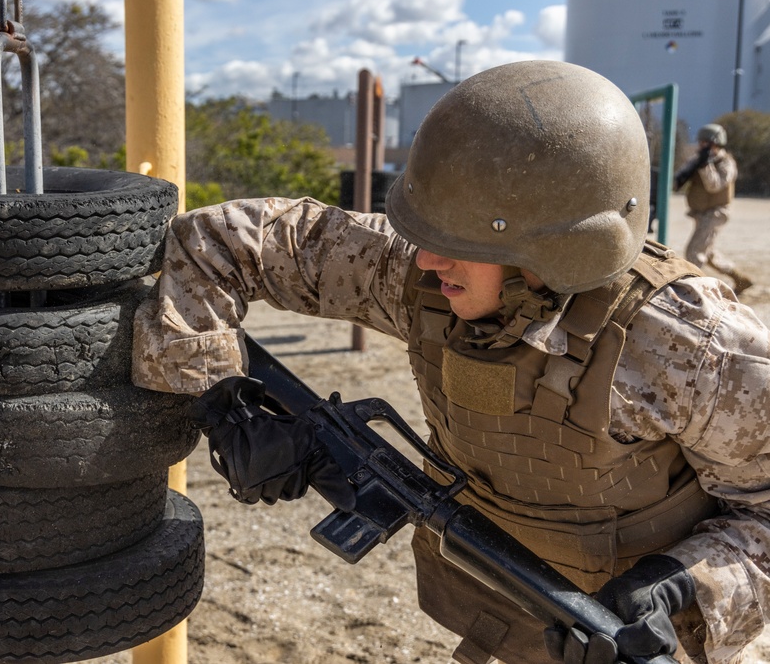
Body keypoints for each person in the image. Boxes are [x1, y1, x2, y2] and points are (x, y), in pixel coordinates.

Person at [132, 60, 770, 664]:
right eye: (425, 235)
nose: (427, 262)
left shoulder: (693, 345)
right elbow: (216, 241)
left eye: (456, 243)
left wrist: (680, 589)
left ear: (559, 252)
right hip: (505, 615)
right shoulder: (416, 273)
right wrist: (223, 403)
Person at [674, 123, 753, 294]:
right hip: (700, 213)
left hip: (716, 213)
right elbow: (680, 178)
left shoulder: (726, 163)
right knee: (708, 253)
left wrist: (704, 166)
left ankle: (696, 291)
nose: (702, 146)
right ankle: (739, 278)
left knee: (694, 251)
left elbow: (714, 185)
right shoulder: (698, 159)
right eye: (700, 142)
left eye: (706, 143)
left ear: (717, 143)